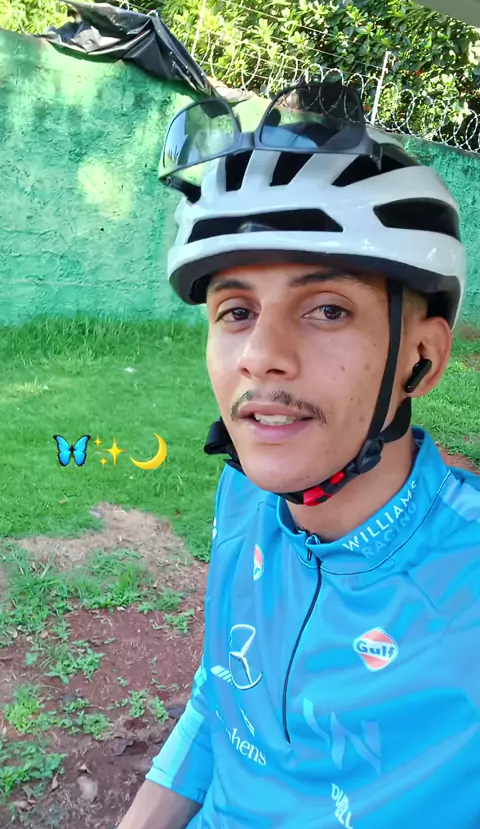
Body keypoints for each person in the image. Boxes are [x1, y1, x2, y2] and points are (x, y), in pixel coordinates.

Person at [118, 82, 480, 829]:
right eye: (236, 311)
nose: (261, 355)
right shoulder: (245, 499)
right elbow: (221, 697)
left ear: (420, 357)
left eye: (327, 309)